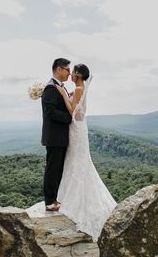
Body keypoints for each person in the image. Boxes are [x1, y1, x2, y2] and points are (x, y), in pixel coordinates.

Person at [55, 64, 117, 242]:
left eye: (73, 72)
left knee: (78, 162)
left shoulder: (80, 88)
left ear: (79, 75)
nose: (71, 74)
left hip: (77, 129)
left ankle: (75, 201)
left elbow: (71, 109)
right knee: (74, 161)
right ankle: (67, 195)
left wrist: (61, 93)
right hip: (76, 128)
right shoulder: (78, 88)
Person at [41, 58, 72, 211]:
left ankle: (55, 199)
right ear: (59, 69)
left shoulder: (60, 87)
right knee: (52, 169)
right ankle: (49, 201)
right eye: (67, 69)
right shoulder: (51, 88)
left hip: (60, 136)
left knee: (58, 169)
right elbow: (50, 111)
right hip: (54, 136)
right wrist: (69, 118)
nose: (69, 73)